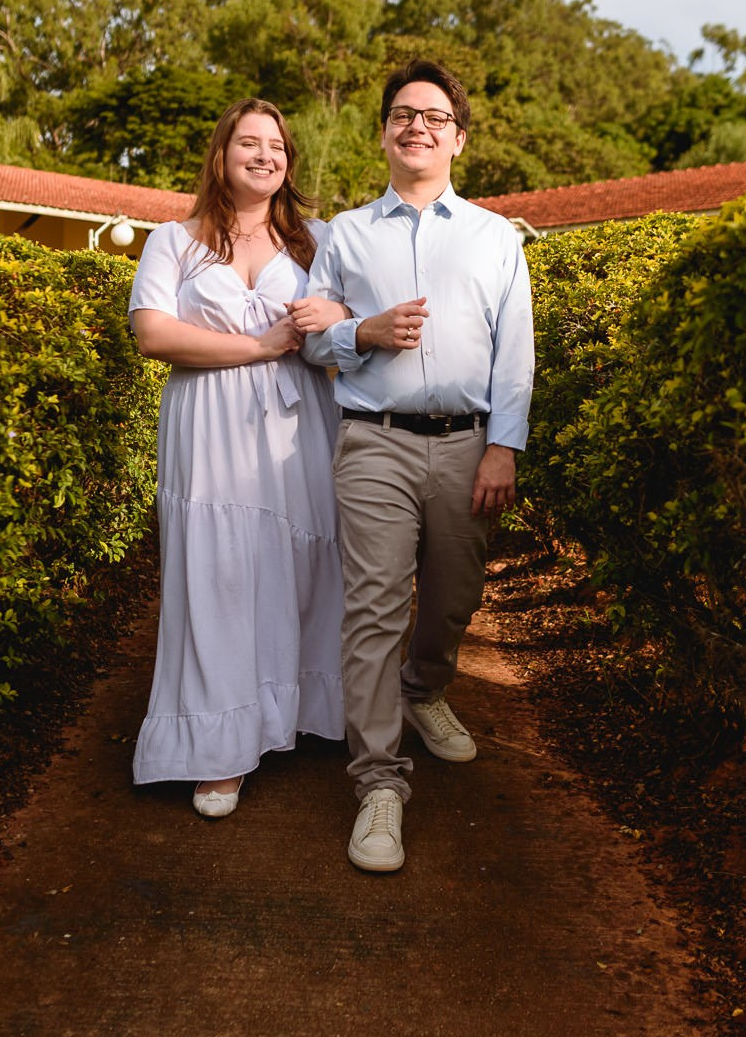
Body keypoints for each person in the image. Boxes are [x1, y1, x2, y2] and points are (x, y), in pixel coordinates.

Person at [299, 60, 534, 872]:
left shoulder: (496, 237)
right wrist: (361, 332)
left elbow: (515, 355)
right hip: (375, 438)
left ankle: (426, 687)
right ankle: (378, 784)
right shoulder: (346, 235)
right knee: (371, 606)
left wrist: (503, 443)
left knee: (453, 596)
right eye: (403, 114)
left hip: (470, 441)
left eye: (433, 117)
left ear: (458, 137)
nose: (417, 126)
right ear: (385, 132)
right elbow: (309, 333)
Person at [127, 98, 350, 816]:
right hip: (210, 424)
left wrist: (339, 319)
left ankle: (305, 712)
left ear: (289, 161)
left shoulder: (318, 241)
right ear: (221, 156)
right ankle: (217, 748)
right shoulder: (175, 241)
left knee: (305, 564)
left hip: (298, 423)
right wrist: (257, 346)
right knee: (218, 572)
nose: (264, 155)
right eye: (248, 143)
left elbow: (349, 322)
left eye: (276, 145)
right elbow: (153, 333)